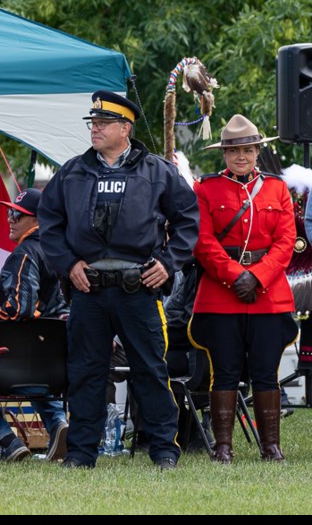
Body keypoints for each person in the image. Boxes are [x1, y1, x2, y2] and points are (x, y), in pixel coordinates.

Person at [38, 90, 199, 470]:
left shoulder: (157, 171)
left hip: (138, 289)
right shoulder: (72, 172)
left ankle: (163, 450)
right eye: (93, 123)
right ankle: (80, 453)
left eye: (103, 123)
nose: (95, 129)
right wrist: (68, 264)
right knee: (85, 372)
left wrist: (168, 262)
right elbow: (50, 224)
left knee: (150, 370)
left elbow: (189, 221)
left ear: (125, 128)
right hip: (88, 290)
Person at [188, 114, 298, 463]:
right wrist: (236, 276)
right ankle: (223, 447)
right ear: (224, 154)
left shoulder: (277, 187)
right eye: (235, 151)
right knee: (224, 370)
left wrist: (259, 276)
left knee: (267, 370)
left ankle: (271, 446)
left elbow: (286, 240)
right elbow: (202, 242)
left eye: (249, 150)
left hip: (268, 293)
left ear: (257, 152)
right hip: (222, 292)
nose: (242, 157)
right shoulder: (205, 188)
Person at [0, 187, 70, 462]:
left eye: (18, 214)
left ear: (39, 221)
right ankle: (58, 424)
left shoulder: (25, 254)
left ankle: (6, 442)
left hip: (14, 367)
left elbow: (19, 309)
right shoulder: (64, 254)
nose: (10, 219)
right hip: (59, 368)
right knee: (37, 359)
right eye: (10, 212)